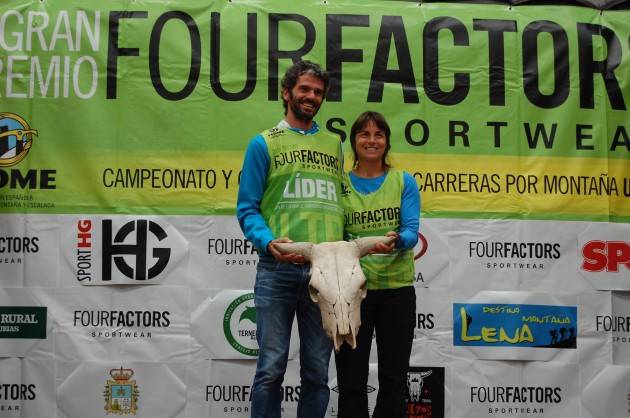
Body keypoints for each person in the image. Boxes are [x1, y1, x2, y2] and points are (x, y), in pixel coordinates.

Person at [236, 60, 344, 418]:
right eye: (304, 90)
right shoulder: (262, 143)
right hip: (276, 270)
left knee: (317, 373)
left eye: (317, 92)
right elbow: (247, 208)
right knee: (270, 371)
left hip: (324, 273)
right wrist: (269, 242)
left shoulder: (335, 144)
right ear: (287, 93)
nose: (311, 97)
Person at [335, 111, 421, 418]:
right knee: (350, 379)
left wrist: (397, 240)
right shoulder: (339, 184)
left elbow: (412, 230)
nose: (372, 141)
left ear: (386, 141)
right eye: (364, 134)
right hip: (351, 294)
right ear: (354, 141)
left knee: (394, 379)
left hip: (396, 293)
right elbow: (334, 237)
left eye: (378, 135)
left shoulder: (403, 181)